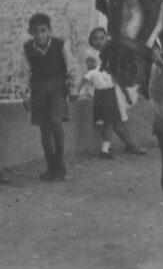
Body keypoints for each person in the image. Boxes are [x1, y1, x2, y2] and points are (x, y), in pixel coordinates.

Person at [22, 13, 80, 181]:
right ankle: (51, 166)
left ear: (49, 30)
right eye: (35, 31)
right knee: (44, 129)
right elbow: (23, 73)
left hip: (57, 88)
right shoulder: (27, 49)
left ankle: (59, 162)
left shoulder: (60, 45)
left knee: (56, 122)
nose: (39, 35)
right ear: (30, 32)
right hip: (38, 89)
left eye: (43, 30)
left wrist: (73, 89)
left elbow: (72, 67)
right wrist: (25, 95)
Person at [78, 27, 145, 158]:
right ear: (90, 41)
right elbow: (93, 71)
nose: (98, 41)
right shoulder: (91, 54)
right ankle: (128, 145)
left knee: (117, 120)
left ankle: (127, 145)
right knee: (115, 120)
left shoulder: (110, 52)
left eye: (102, 38)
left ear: (106, 38)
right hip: (101, 88)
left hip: (113, 87)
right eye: (95, 39)